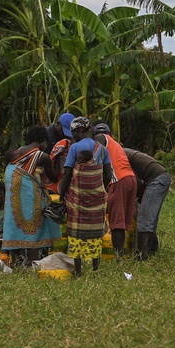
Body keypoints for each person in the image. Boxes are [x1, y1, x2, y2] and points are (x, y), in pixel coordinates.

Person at [57, 117, 113, 276]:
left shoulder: (75, 148)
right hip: (96, 199)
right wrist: (98, 188)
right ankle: (95, 267)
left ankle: (79, 270)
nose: (72, 135)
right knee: (95, 232)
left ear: (80, 130)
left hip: (78, 198)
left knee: (76, 233)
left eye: (73, 132)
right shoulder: (103, 149)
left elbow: (67, 173)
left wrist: (63, 194)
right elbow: (107, 174)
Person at [2, 125, 61, 266]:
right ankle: (33, 263)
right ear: (43, 141)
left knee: (15, 224)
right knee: (33, 228)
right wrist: (58, 160)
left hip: (13, 196)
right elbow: (54, 177)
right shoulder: (42, 156)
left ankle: (16, 263)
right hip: (29, 196)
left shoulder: (18, 152)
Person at [94, 122, 137, 259]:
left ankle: (118, 257)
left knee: (117, 222)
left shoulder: (101, 139)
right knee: (123, 221)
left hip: (119, 180)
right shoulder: (116, 145)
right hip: (130, 178)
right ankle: (123, 254)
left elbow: (98, 155)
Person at [123, 147, 171, 260]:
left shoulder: (120, 155)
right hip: (156, 178)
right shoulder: (123, 151)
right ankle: (152, 250)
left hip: (156, 179)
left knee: (145, 218)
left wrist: (136, 197)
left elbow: (136, 181)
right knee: (148, 217)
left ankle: (142, 256)